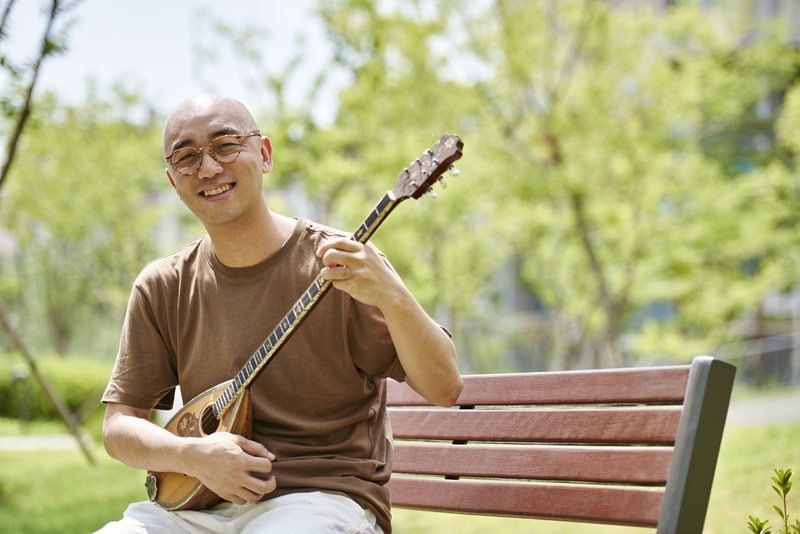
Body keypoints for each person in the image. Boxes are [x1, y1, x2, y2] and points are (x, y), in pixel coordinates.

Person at [97, 94, 463, 534]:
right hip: (193, 504)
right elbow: (119, 426)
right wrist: (191, 456)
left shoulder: (342, 264)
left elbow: (444, 387)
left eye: (226, 145)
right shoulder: (163, 285)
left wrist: (394, 296)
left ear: (264, 154)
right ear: (174, 182)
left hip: (318, 501)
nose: (209, 168)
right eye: (187, 156)